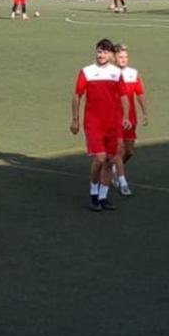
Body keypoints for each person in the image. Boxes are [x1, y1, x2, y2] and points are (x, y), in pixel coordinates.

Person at [70, 39, 130, 212]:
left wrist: (125, 117)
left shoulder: (116, 73)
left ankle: (103, 197)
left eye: (105, 52)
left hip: (113, 123)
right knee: (100, 158)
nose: (101, 55)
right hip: (94, 122)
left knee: (110, 159)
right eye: (99, 51)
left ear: (111, 55)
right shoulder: (87, 72)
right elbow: (77, 96)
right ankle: (93, 193)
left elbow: (124, 96)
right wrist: (75, 119)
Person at [110, 45, 147, 196]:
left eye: (125, 57)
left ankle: (113, 169)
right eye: (120, 57)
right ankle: (122, 181)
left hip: (130, 119)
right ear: (114, 58)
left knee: (129, 151)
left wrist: (145, 112)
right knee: (118, 149)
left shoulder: (133, 73)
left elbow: (140, 94)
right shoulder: (110, 74)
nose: (123, 60)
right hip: (114, 118)